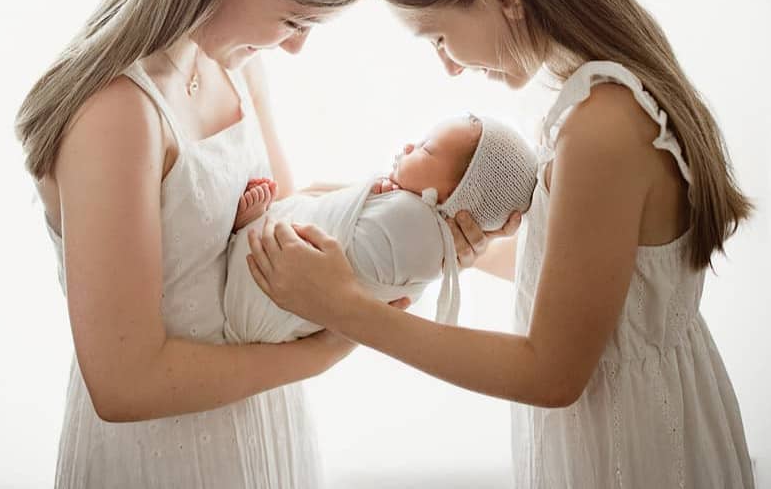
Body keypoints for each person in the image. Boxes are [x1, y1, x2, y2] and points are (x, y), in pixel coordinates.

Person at [246, 0, 756, 488]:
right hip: (642, 423)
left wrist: (350, 309)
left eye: (438, 35)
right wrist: (464, 248)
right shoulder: (596, 99)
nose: (449, 66)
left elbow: (551, 373)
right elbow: (607, 290)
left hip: (636, 449)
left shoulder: (602, 126)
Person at [14, 0, 399, 489]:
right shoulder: (119, 113)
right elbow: (125, 382)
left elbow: (276, 223)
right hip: (165, 460)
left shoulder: (238, 68)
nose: (296, 46)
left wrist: (381, 206)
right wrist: (327, 350)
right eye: (294, 19)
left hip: (265, 433)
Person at [224, 113, 538, 344]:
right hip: (268, 294)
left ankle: (252, 228)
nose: (409, 146)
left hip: (264, 290)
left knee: (286, 239)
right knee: (301, 218)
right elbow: (327, 206)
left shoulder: (416, 227)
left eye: (426, 148)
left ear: (458, 198)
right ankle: (255, 225)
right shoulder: (405, 210)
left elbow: (346, 249)